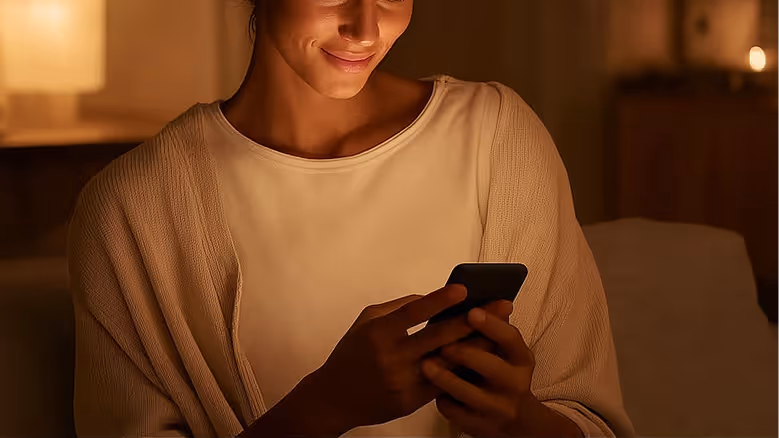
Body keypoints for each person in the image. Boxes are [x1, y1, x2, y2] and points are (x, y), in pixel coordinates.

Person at [66, 0, 636, 437]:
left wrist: (518, 420)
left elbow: (590, 418)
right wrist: (327, 406)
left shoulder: (500, 139)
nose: (366, 28)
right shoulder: (131, 211)